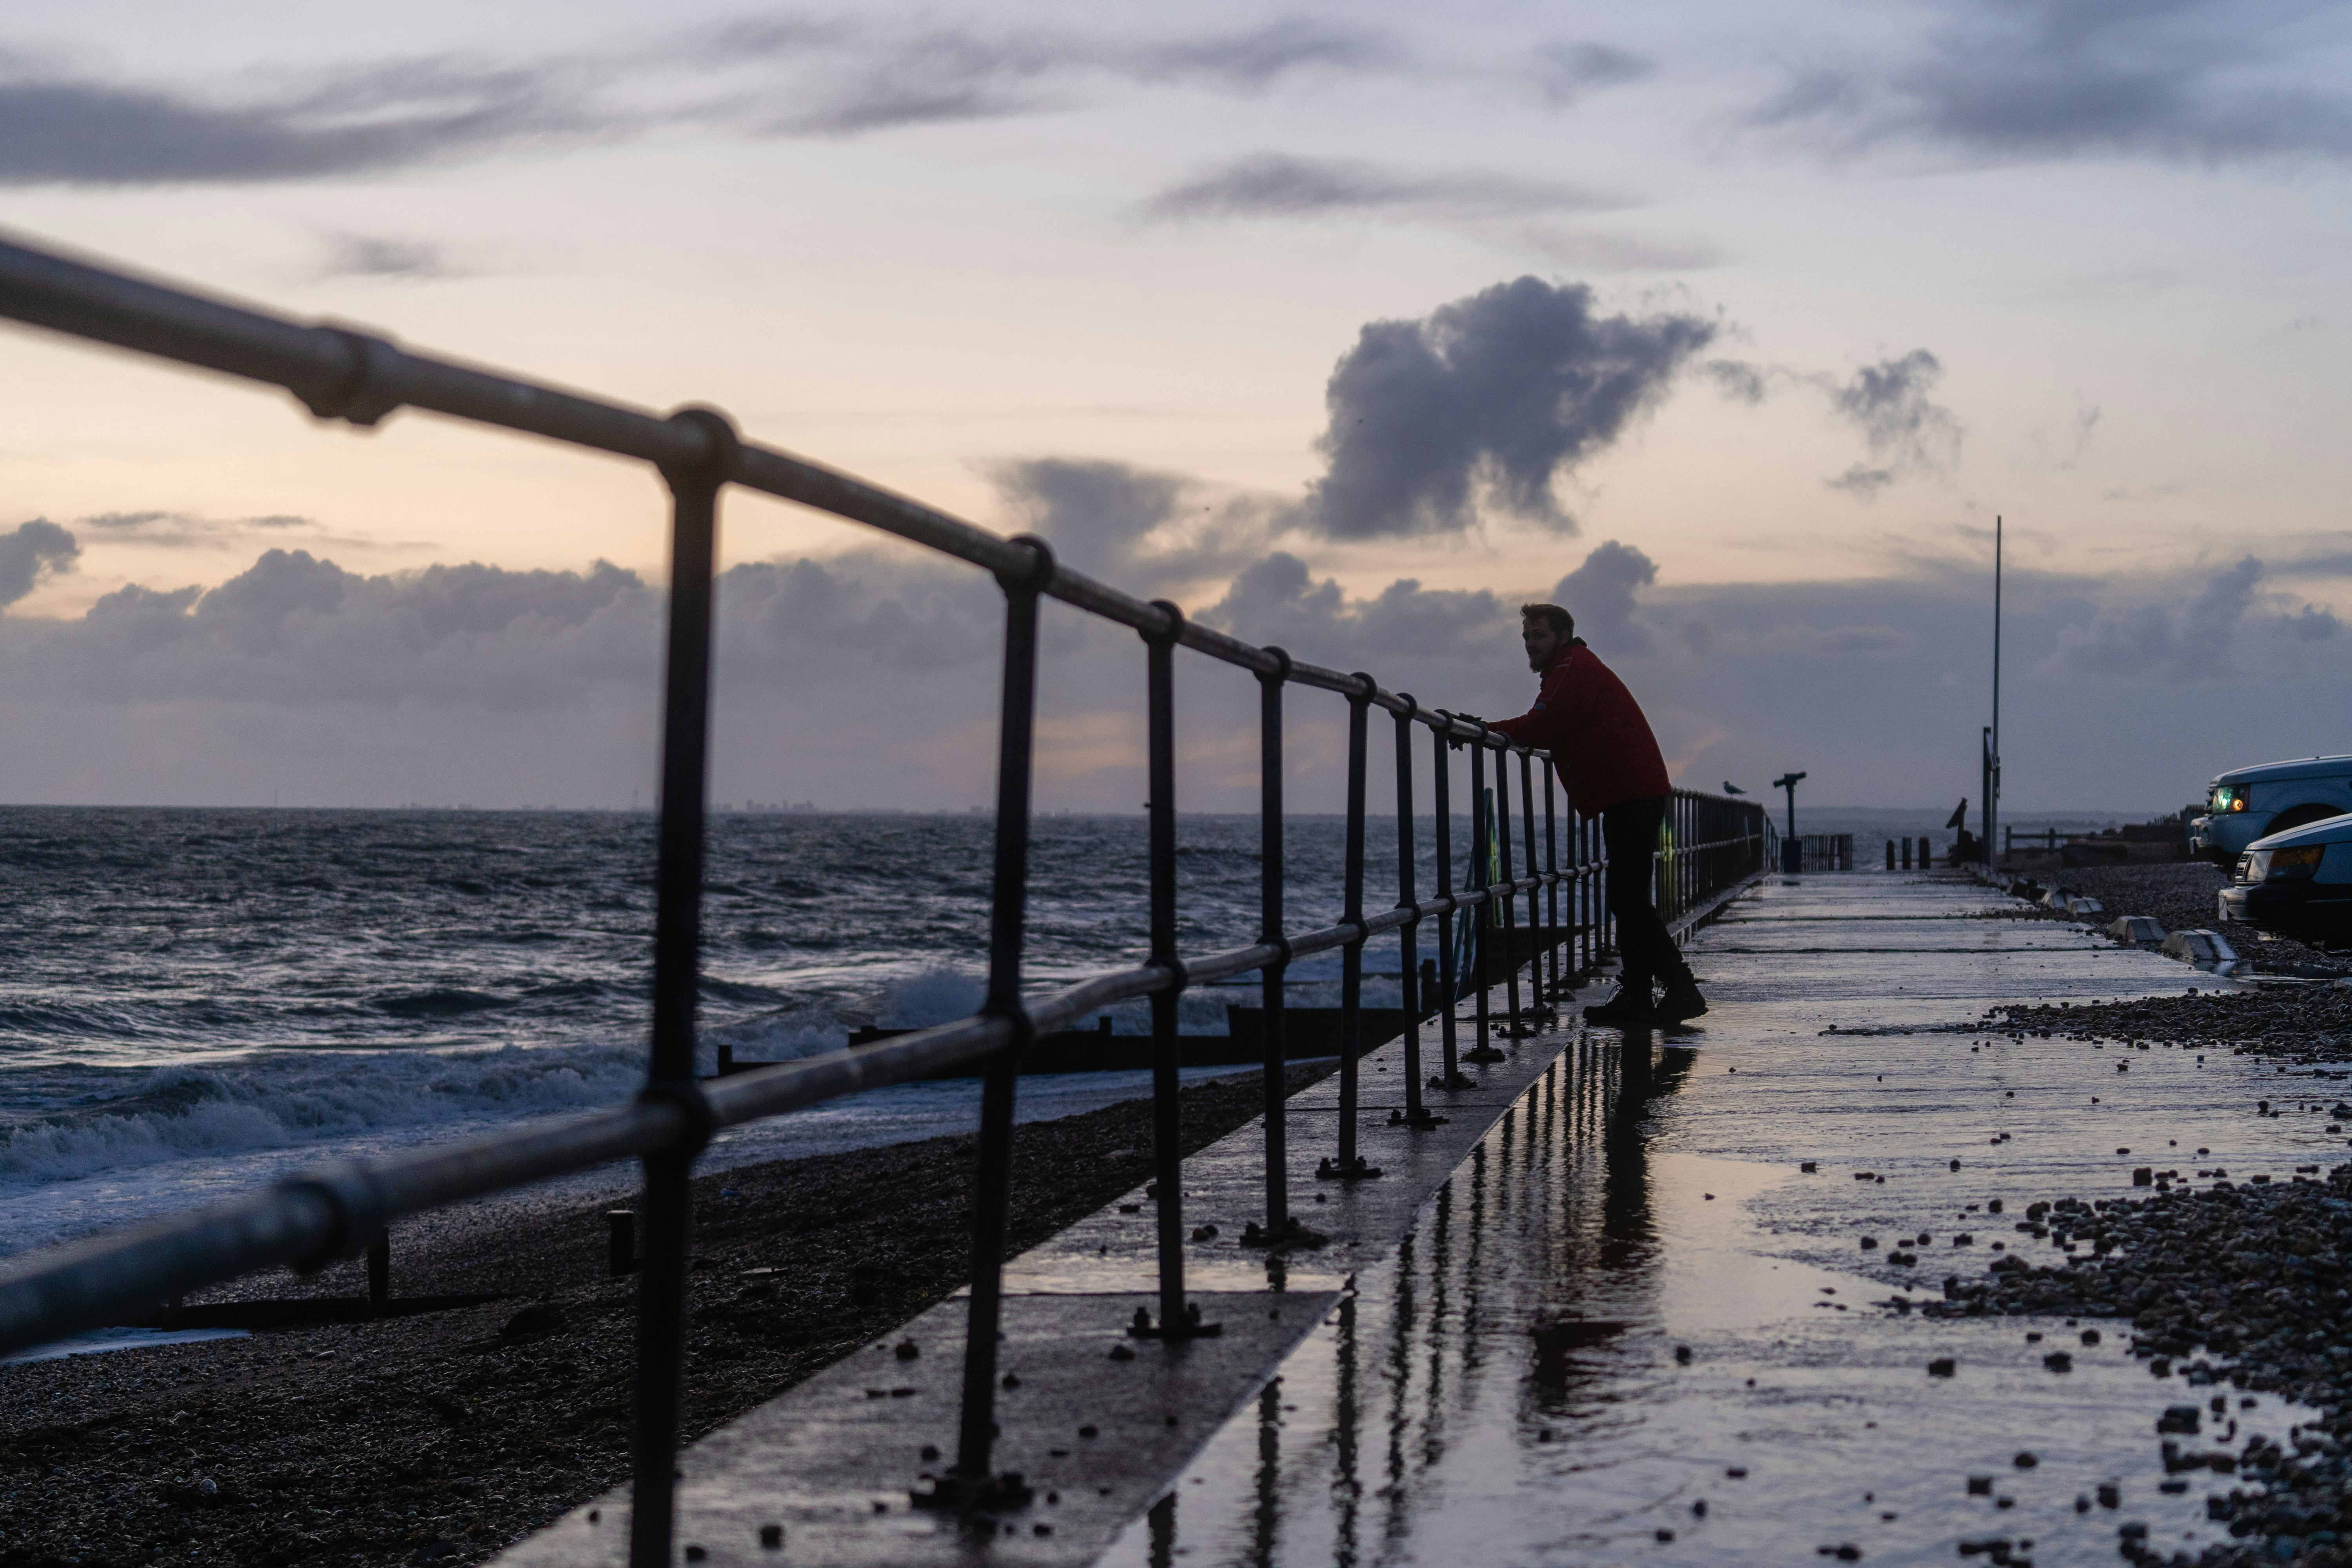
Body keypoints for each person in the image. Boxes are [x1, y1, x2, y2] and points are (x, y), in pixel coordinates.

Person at [1486, 603, 1706, 1028]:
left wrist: (1486, 728)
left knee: (1629, 900)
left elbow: (1541, 726)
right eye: (1527, 637)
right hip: (1629, 793)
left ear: (1564, 636)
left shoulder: (1573, 668)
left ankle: (1681, 988)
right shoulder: (1569, 667)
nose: (1532, 644)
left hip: (1633, 794)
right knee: (1628, 900)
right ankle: (1638, 995)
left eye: (1540, 636)